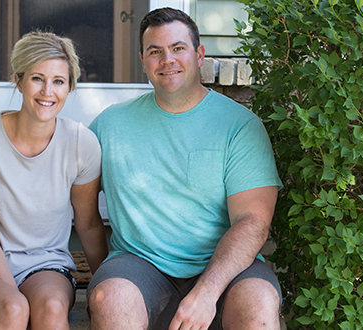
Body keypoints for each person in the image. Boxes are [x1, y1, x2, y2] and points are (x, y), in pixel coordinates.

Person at [86, 7, 283, 330]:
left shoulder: (238, 126)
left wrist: (206, 294)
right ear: (143, 60)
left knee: (258, 299)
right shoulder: (110, 124)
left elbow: (254, 222)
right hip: (140, 265)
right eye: (155, 52)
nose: (167, 60)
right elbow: (65, 184)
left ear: (199, 54)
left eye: (178, 48)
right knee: (112, 297)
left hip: (223, 270)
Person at [0, 31, 108, 330]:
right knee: (11, 309)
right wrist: (17, 299)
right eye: (37, 78)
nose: (47, 91)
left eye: (59, 81)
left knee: (50, 309)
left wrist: (104, 288)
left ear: (70, 87)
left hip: (43, 264)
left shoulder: (81, 143)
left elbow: (88, 224)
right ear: (19, 80)